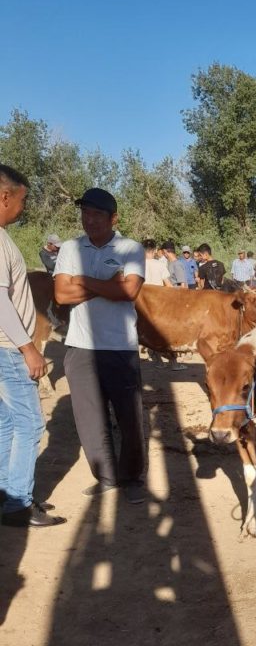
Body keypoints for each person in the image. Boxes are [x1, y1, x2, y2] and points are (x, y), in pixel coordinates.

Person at [54, 187, 147, 503]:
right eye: (85, 213)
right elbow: (61, 295)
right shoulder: (70, 248)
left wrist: (81, 280)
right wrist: (109, 285)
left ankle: (131, 478)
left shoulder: (130, 248)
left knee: (129, 417)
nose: (89, 220)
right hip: (80, 346)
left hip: (120, 346)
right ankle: (106, 476)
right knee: (89, 419)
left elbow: (129, 291)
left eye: (96, 214)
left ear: (113, 218)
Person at [0, 164, 66, 528]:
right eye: (22, 200)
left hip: (5, 347)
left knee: (8, 422)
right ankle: (18, 505)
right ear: (4, 196)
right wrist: (28, 348)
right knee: (30, 425)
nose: (23, 207)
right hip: (10, 348)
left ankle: (7, 492)